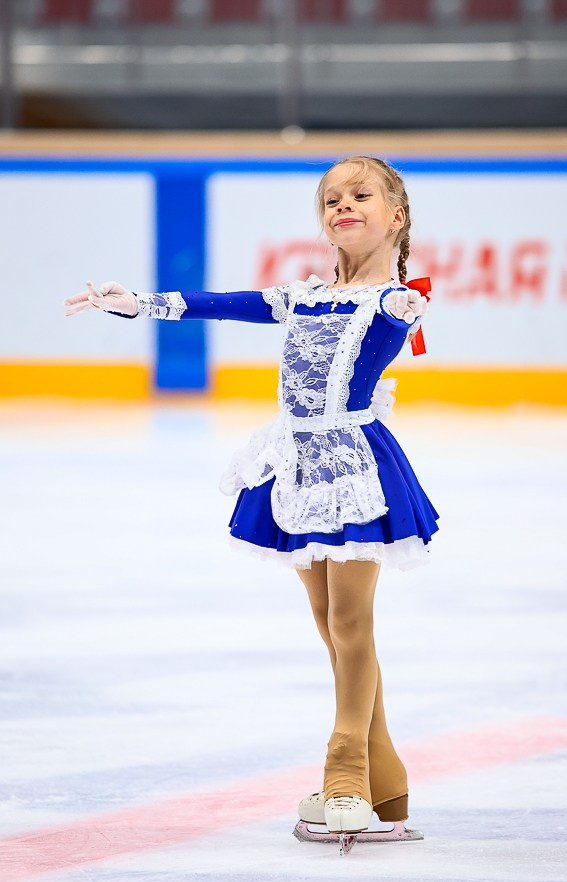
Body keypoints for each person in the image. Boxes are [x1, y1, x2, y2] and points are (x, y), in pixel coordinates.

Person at [64, 155, 439, 837]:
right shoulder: (302, 295)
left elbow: (396, 326)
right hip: (294, 463)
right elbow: (223, 305)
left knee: (352, 623)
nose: (342, 206)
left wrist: (401, 300)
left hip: (353, 464)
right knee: (330, 622)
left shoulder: (395, 300)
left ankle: (345, 770)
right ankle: (388, 786)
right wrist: (138, 304)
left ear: (396, 214)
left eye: (360, 195)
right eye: (330, 199)